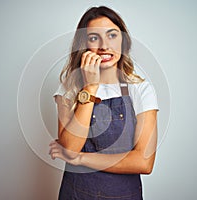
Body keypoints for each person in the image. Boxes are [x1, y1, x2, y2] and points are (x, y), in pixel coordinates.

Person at [49, 6, 159, 200]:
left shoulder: (140, 89)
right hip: (76, 194)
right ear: (83, 45)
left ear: (124, 42)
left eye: (112, 35)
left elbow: (144, 162)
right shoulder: (69, 88)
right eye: (94, 38)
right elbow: (69, 148)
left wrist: (81, 158)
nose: (104, 46)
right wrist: (90, 88)